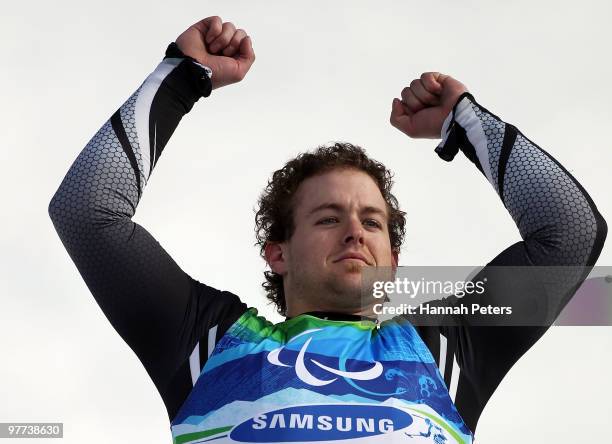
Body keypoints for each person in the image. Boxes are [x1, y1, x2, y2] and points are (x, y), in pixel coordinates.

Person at [48, 16, 607, 444]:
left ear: (393, 263)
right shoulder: (209, 343)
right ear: (278, 252)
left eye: (372, 221)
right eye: (327, 218)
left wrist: (466, 119)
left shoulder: (445, 350)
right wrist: (179, 80)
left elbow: (571, 234)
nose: (354, 233)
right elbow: (87, 212)